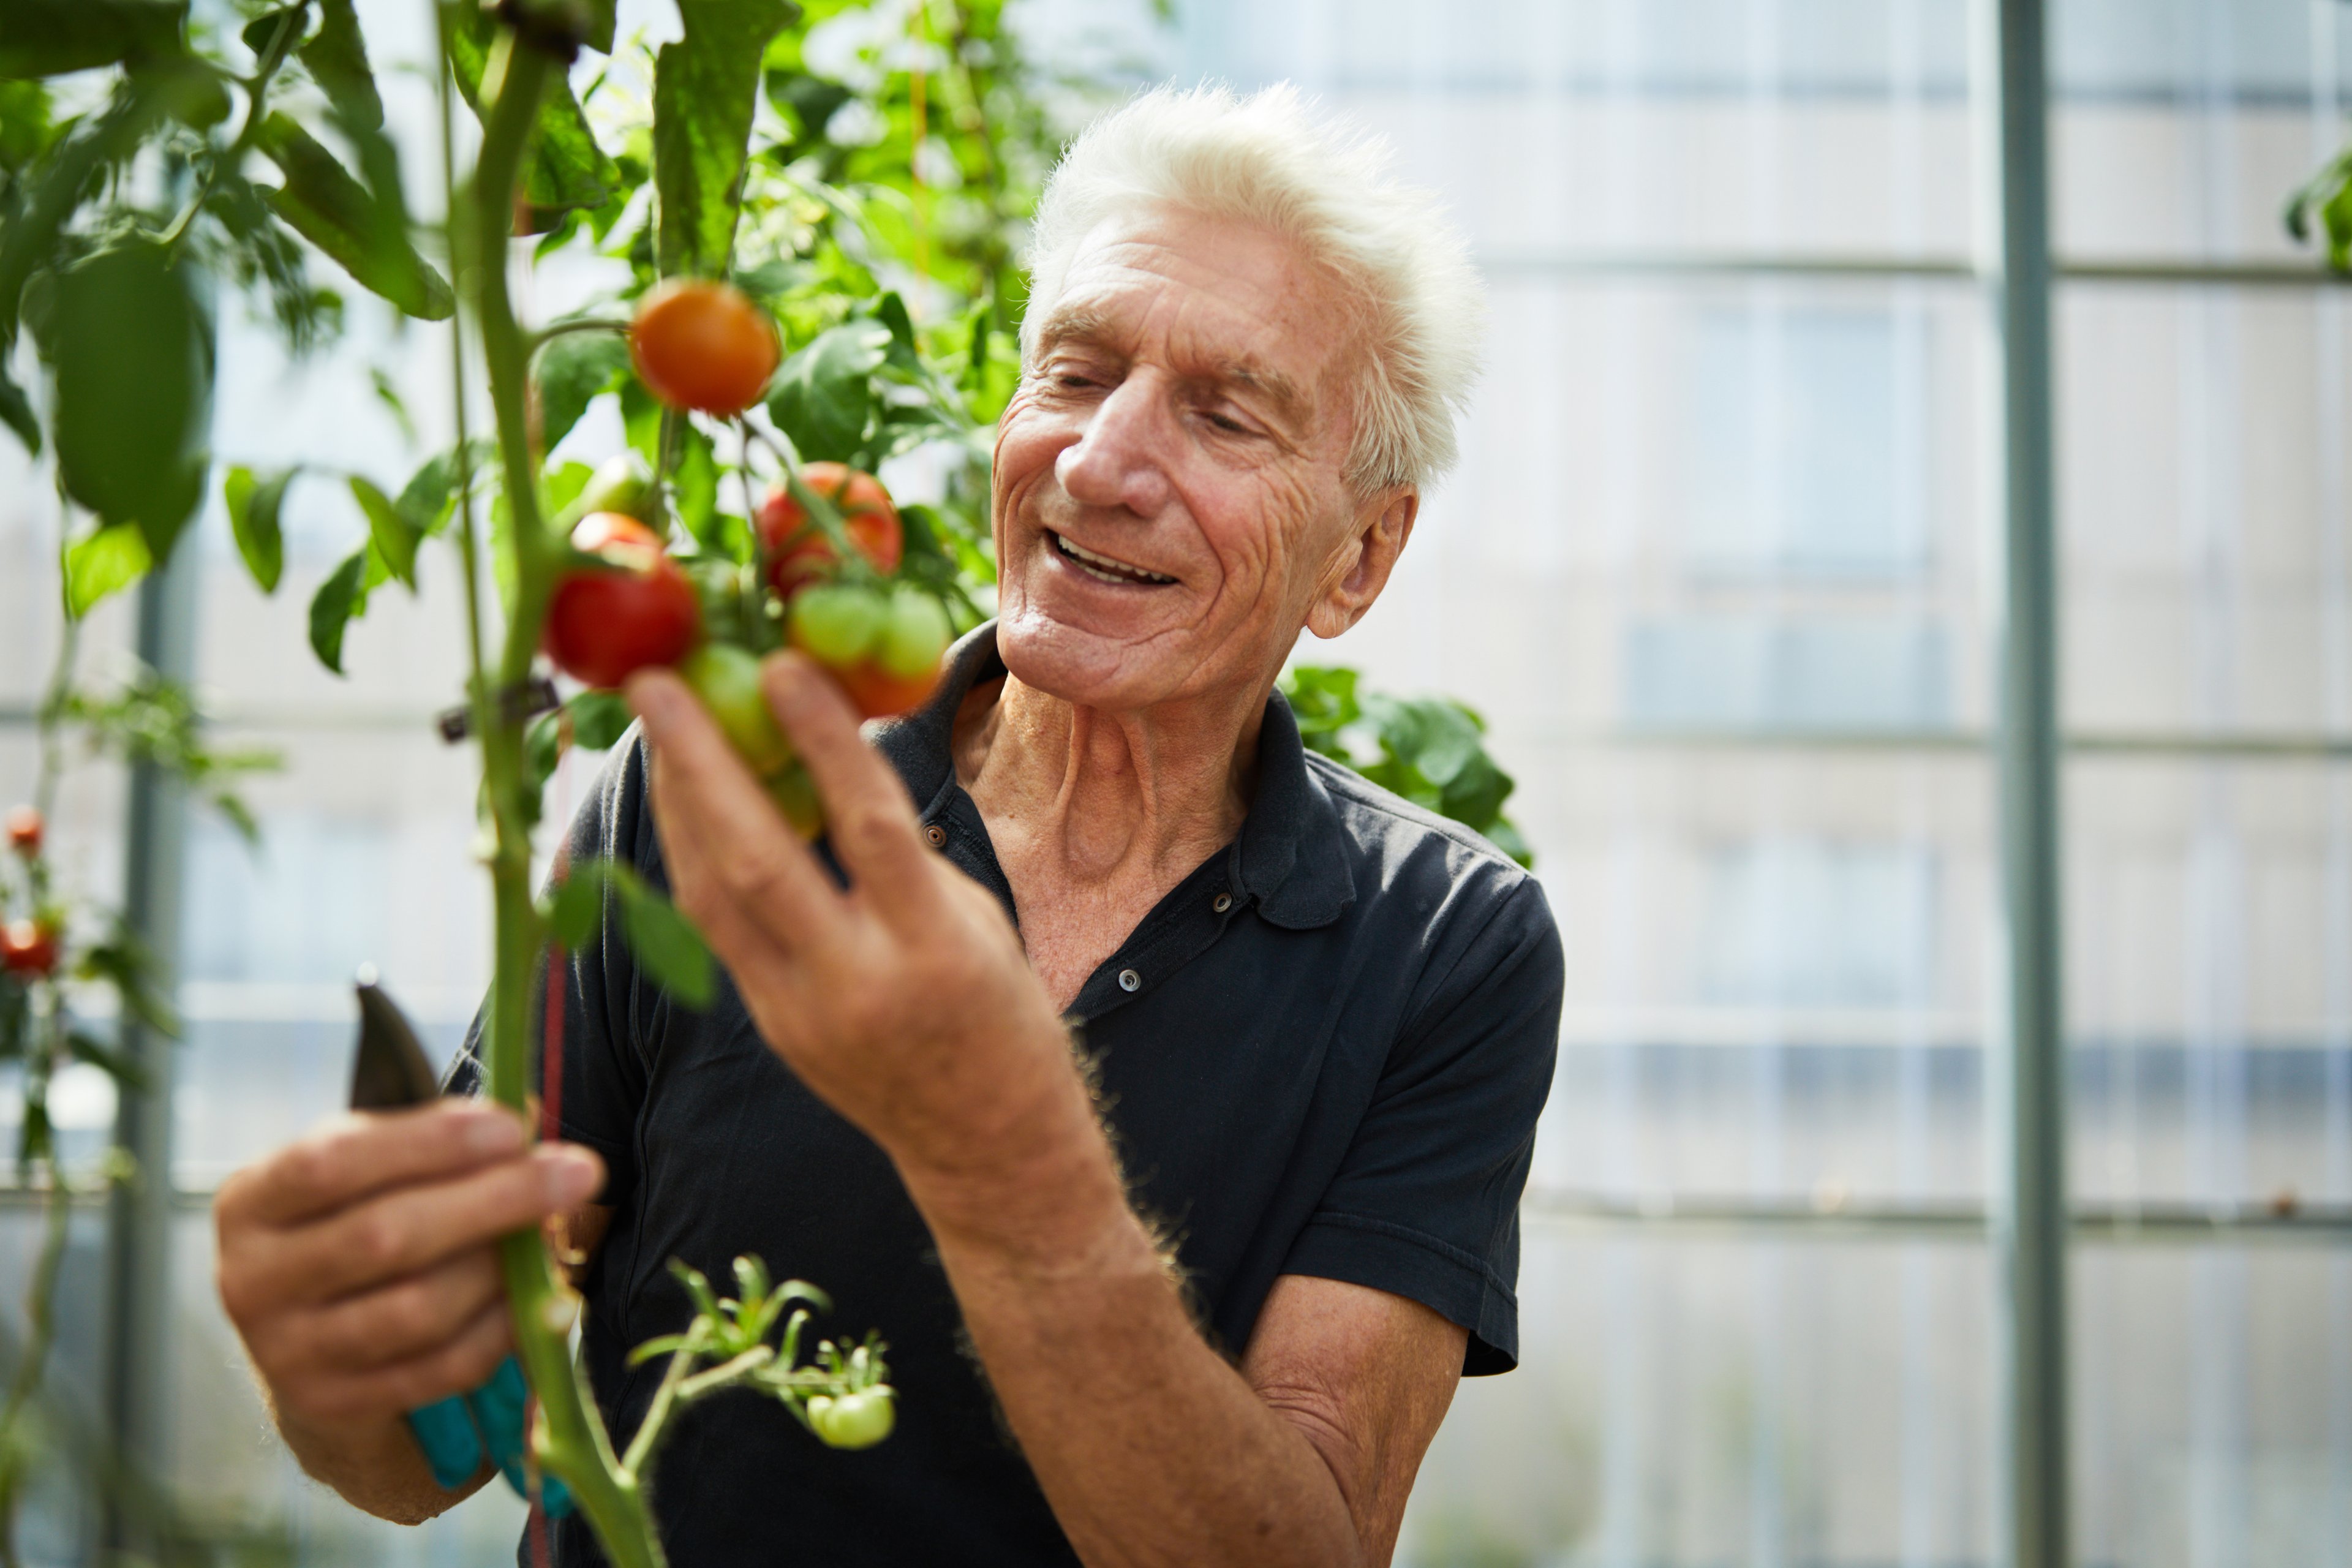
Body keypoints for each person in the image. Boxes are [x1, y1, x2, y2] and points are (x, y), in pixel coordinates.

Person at [214, 83, 1563, 1566]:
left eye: (1225, 413)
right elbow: (428, 1449)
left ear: (1358, 556)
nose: (1100, 462)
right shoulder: (709, 797)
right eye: (1074, 371)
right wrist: (337, 1351)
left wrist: (998, 1155)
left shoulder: (1445, 942)